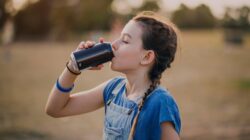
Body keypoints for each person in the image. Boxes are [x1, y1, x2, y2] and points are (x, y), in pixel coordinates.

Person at [46, 11, 181, 140]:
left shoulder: (161, 103)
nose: (113, 44)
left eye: (125, 41)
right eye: (118, 38)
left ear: (147, 57)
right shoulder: (113, 89)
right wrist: (72, 68)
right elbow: (55, 109)